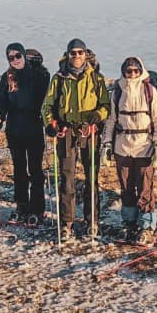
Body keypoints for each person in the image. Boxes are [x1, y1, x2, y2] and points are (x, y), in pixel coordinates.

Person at [41, 38, 110, 241]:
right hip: (67, 132)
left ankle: (92, 221)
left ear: (86, 54)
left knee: (91, 178)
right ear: (68, 55)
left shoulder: (96, 78)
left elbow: (106, 104)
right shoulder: (59, 78)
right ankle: (67, 223)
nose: (77, 56)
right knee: (67, 179)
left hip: (89, 132)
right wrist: (51, 124)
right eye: (73, 53)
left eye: (80, 52)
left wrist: (98, 116)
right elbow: (47, 105)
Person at [102, 56, 157, 245]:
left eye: (135, 71)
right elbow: (111, 120)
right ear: (123, 72)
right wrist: (106, 144)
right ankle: (129, 223)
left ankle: (147, 226)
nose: (132, 74)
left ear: (141, 71)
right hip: (122, 147)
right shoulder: (116, 92)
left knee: (145, 188)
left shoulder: (149, 91)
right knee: (126, 187)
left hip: (144, 146)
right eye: (128, 71)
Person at [0, 42, 51, 225]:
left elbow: (46, 98)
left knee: (35, 170)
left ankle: (37, 208)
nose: (15, 60)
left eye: (17, 56)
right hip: (14, 130)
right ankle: (21, 206)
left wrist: (49, 121)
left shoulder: (38, 74)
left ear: (23, 56)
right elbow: (2, 101)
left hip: (34, 129)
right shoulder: (7, 77)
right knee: (19, 170)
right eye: (10, 58)